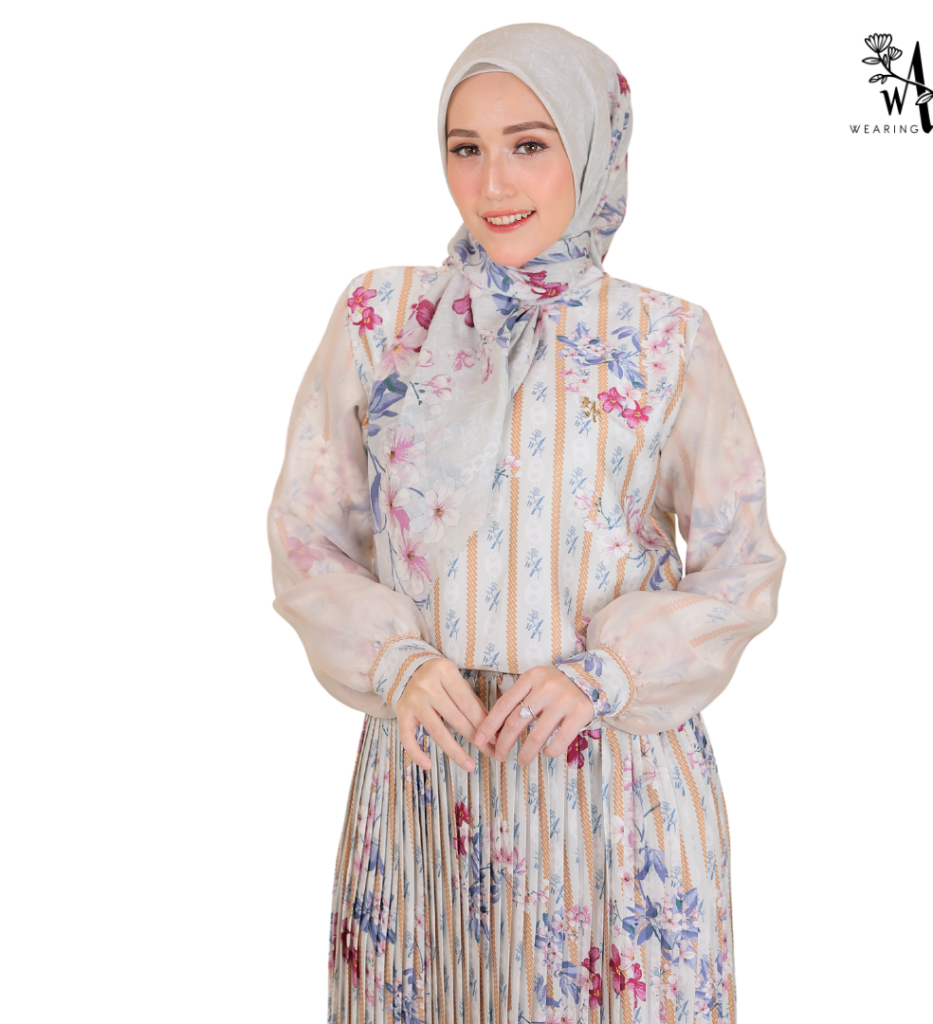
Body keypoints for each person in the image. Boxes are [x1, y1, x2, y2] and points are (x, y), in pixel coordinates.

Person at [267, 22, 785, 1024]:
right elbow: (307, 532)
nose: (493, 181)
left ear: (591, 148)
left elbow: (741, 563)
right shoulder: (382, 319)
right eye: (465, 146)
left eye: (529, 144)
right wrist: (394, 661)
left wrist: (608, 672)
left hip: (612, 789)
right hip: (429, 788)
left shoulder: (666, 339)